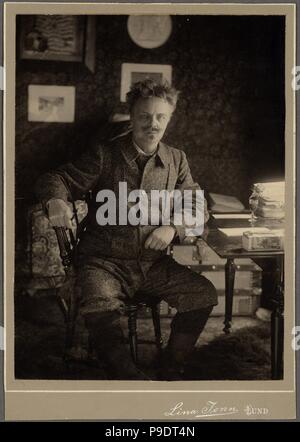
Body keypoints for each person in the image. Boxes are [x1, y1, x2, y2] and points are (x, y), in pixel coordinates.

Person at [35, 79, 217, 380]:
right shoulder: (104, 155)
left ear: (169, 118)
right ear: (132, 118)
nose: (153, 124)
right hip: (102, 261)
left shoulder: (176, 159)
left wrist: (172, 227)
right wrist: (55, 200)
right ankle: (125, 375)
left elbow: (198, 206)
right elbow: (57, 178)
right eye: (145, 116)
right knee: (101, 303)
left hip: (152, 263)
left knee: (203, 294)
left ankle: (171, 364)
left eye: (161, 117)